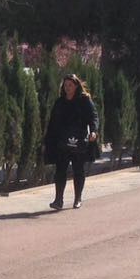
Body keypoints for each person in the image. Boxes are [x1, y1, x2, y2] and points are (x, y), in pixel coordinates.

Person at [43, 73, 99, 210]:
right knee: (60, 170)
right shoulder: (60, 102)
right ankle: (58, 200)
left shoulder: (84, 101)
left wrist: (93, 131)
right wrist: (49, 140)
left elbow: (94, 117)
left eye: (70, 85)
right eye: (65, 85)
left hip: (79, 141)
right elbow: (53, 123)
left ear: (76, 86)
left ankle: (77, 198)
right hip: (62, 142)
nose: (67, 88)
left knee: (78, 170)